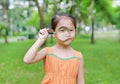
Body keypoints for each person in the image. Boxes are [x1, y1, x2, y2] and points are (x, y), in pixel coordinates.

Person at [23, 12, 85, 84]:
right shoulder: (47, 51)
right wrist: (40, 40)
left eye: (71, 30)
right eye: (62, 30)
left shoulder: (78, 56)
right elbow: (27, 60)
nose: (67, 34)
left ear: (75, 31)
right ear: (53, 33)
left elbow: (81, 81)